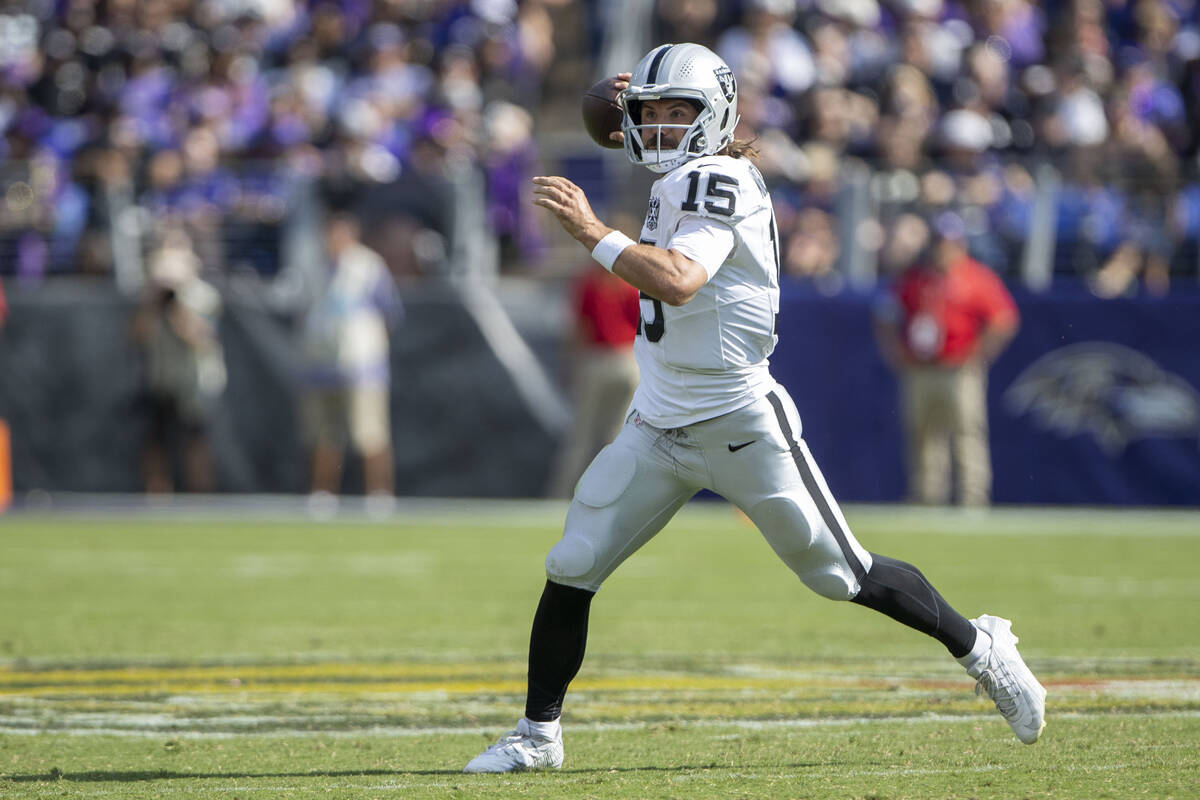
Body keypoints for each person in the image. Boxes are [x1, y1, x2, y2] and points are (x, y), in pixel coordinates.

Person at [464, 43, 1045, 774]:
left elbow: (678, 279)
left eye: (683, 113)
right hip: (659, 419)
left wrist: (591, 232)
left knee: (842, 574)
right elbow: (601, 120)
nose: (665, 128)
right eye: (654, 114)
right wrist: (610, 94)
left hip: (740, 418)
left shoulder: (720, 179)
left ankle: (982, 648)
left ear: (717, 117)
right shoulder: (678, 169)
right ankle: (538, 734)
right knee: (573, 561)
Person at [874, 212, 1020, 506]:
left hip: (959, 368)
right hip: (920, 368)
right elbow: (885, 314)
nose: (944, 249)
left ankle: (972, 498)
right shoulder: (916, 278)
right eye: (939, 242)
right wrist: (895, 351)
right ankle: (927, 496)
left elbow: (1004, 320)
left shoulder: (976, 276)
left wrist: (979, 353)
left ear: (961, 244)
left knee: (967, 433)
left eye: (950, 242)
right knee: (923, 435)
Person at [299, 211, 402, 509]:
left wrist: (369, 347)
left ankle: (380, 495)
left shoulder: (368, 266)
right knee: (323, 435)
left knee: (370, 433)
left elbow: (390, 314)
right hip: (320, 365)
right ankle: (323, 494)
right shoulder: (313, 265)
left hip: (361, 366)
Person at [130, 228, 226, 493]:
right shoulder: (151, 295)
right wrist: (154, 301)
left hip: (195, 380)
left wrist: (176, 307)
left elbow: (200, 337)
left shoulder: (204, 295)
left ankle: (201, 495)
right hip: (162, 377)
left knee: (196, 440)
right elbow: (137, 336)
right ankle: (157, 494)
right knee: (156, 439)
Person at [547, 260, 641, 499]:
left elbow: (580, 328)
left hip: (596, 361)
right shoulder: (629, 285)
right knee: (618, 435)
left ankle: (562, 496)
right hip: (626, 361)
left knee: (582, 436)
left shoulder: (590, 285)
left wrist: (570, 363)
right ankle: (613, 495)